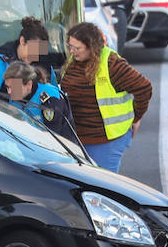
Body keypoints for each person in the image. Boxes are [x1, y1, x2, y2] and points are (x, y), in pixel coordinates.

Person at [60, 21, 152, 172]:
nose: (72, 51)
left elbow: (144, 88)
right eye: (70, 46)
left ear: (91, 47)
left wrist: (137, 117)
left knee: (104, 187)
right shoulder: (74, 61)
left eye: (77, 48)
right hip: (79, 138)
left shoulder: (112, 64)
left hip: (106, 140)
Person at [2, 60, 80, 145]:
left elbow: (53, 136)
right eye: (7, 87)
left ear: (29, 84)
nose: (9, 92)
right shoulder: (16, 96)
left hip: (59, 147)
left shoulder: (50, 98)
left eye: (14, 87)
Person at [0, 16, 60, 93]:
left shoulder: (45, 65)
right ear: (22, 41)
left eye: (39, 51)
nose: (35, 56)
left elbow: (55, 93)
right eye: (33, 49)